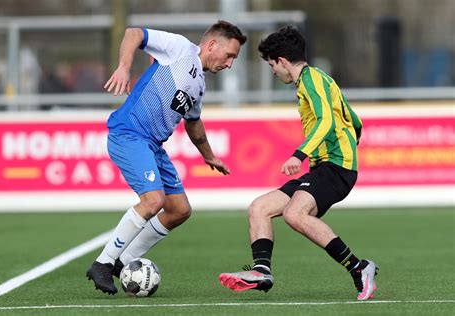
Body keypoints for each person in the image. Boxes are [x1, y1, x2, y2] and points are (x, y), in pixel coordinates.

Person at [218, 26, 378, 301]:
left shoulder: (310, 80)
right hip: (326, 167)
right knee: (260, 208)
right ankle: (261, 271)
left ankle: (359, 268)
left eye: (271, 65)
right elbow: (355, 120)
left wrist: (299, 154)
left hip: (336, 167)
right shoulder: (318, 80)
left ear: (282, 61)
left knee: (295, 214)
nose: (273, 71)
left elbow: (326, 121)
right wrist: (352, 140)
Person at [87, 21, 247, 295]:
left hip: (152, 146)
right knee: (153, 201)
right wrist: (124, 67)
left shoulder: (199, 84)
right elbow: (133, 33)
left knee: (179, 209)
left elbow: (194, 123)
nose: (230, 63)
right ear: (212, 45)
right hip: (129, 133)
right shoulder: (179, 49)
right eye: (230, 55)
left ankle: (124, 260)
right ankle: (103, 263)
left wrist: (210, 156)